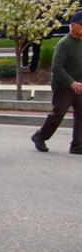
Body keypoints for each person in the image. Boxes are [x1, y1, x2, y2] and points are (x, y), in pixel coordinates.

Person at [32, 10, 82, 155]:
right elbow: (57, 67)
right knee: (58, 114)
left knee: (81, 113)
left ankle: (77, 143)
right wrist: (71, 82)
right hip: (64, 86)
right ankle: (40, 136)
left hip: (79, 84)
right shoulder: (64, 43)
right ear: (73, 25)